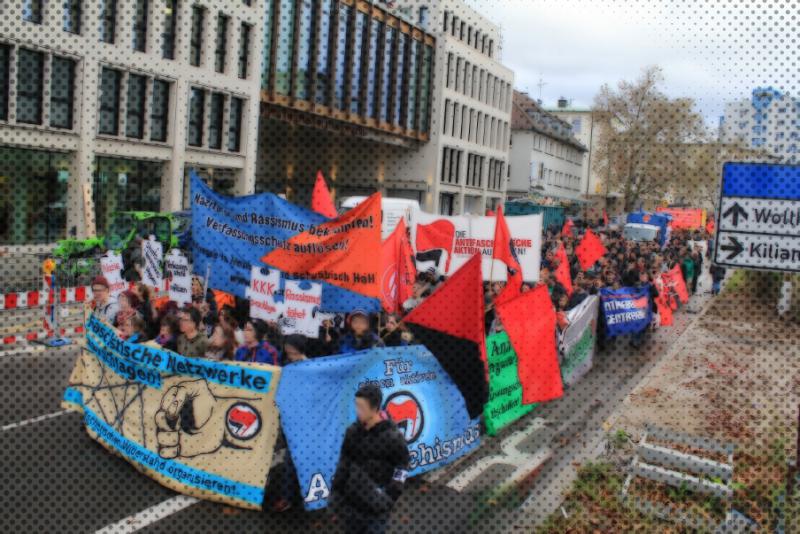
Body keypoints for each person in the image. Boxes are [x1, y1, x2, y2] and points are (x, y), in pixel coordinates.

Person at [332, 385, 410, 534]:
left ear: (374, 409)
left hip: (376, 507)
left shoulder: (393, 437)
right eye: (356, 406)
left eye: (361, 407)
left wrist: (392, 492)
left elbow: (402, 464)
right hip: (352, 504)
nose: (357, 411)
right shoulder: (352, 432)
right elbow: (344, 464)